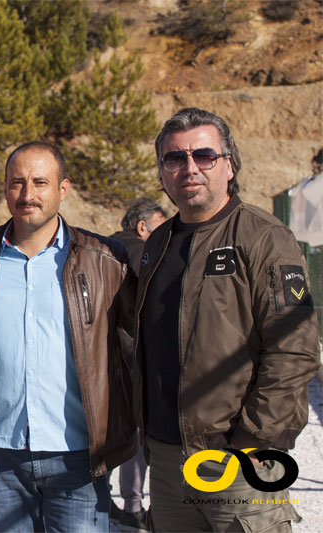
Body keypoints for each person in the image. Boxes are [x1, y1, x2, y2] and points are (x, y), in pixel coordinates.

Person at [134, 107, 321, 532]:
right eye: (174, 158)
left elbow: (294, 348)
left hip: (237, 459)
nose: (189, 168)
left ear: (229, 164)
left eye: (204, 155)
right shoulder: (158, 244)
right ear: (162, 172)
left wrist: (253, 441)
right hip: (166, 459)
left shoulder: (263, 237)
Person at [0, 141, 137, 532]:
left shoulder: (106, 260)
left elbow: (136, 347)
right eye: (17, 182)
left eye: (40, 182)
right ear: (4, 188)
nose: (27, 194)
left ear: (63, 188)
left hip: (78, 456)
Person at [108, 197, 166, 531]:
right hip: (136, 359)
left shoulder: (105, 247)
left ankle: (116, 500)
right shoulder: (145, 254)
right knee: (140, 433)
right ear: (142, 227)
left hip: (105, 360)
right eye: (161, 222)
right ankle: (134, 506)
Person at [110, 197, 167, 276]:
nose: (164, 235)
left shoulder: (109, 241)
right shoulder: (142, 251)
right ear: (142, 227)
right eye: (160, 229)